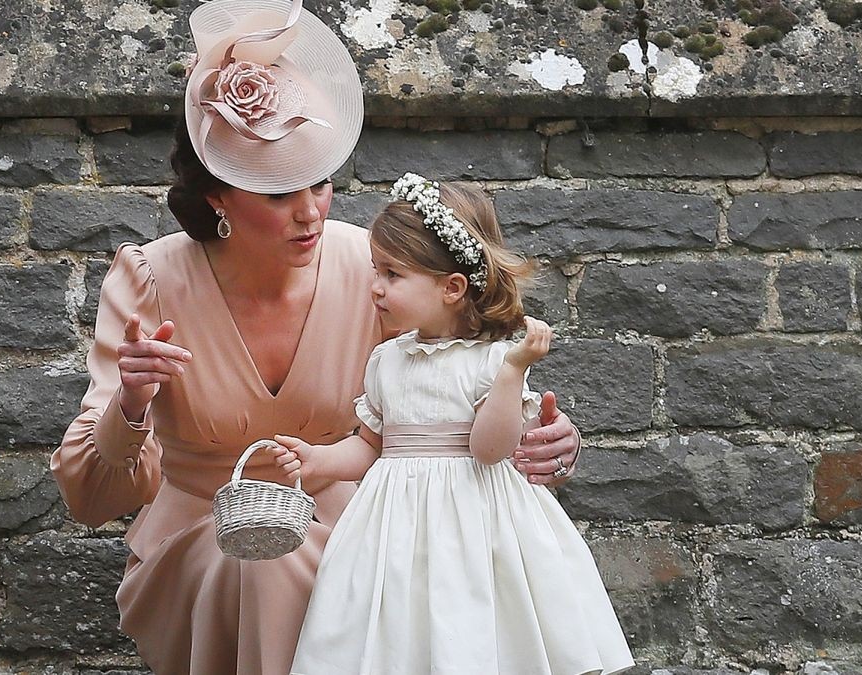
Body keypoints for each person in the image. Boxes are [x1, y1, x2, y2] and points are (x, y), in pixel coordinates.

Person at [50, 1, 584, 673]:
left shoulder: (374, 270)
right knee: (262, 565)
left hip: (363, 530)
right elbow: (89, 497)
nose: (310, 212)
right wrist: (129, 405)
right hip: (203, 538)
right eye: (279, 196)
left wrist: (551, 442)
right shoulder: (150, 281)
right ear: (219, 195)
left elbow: (465, 373)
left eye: (321, 184)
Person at [275, 175, 634, 675]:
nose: (375, 287)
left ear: (452, 287)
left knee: (473, 626)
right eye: (375, 271)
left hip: (477, 523)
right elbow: (370, 446)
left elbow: (491, 449)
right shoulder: (386, 361)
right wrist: (319, 459)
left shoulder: (492, 362)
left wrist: (514, 371)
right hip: (393, 528)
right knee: (400, 631)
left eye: (393, 275)